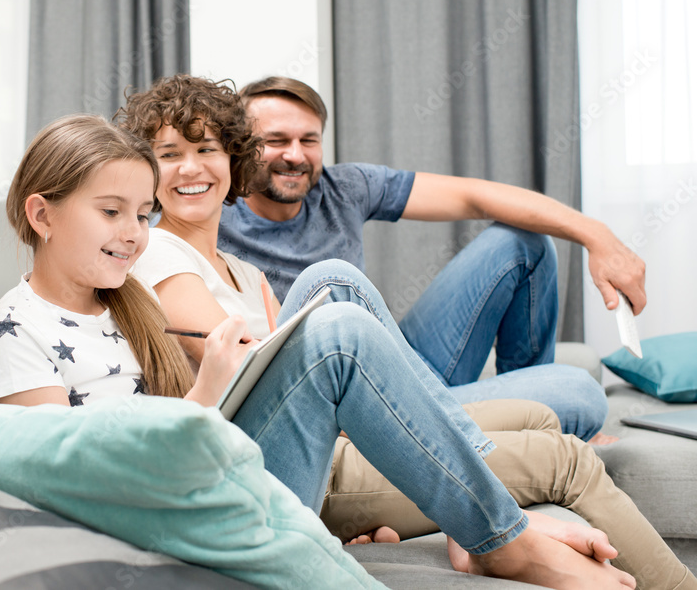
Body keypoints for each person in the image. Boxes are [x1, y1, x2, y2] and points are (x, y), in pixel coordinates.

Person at [0, 113, 638, 589]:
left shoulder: (125, 300)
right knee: (336, 306)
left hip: (257, 456)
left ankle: (479, 512)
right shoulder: (107, 288)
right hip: (209, 490)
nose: (134, 233)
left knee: (556, 397)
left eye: (137, 213)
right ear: (42, 215)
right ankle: (496, 530)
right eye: (114, 212)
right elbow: (71, 471)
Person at [118, 75, 696, 589]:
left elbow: (286, 375)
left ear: (231, 161)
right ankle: (485, 518)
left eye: (206, 150)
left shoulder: (245, 267)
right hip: (285, 456)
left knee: (553, 409)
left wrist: (595, 234)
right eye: (170, 155)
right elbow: (249, 373)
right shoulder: (157, 252)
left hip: (339, 417)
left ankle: (463, 487)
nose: (190, 167)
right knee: (336, 283)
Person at [215, 75, 642, 440]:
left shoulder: (345, 187)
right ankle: (520, 422)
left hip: (402, 365)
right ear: (240, 147)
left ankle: (523, 414)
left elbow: (474, 196)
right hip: (344, 399)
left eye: (308, 140)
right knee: (581, 393)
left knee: (522, 243)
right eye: (274, 141)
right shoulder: (215, 215)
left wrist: (597, 236)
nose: (295, 154)